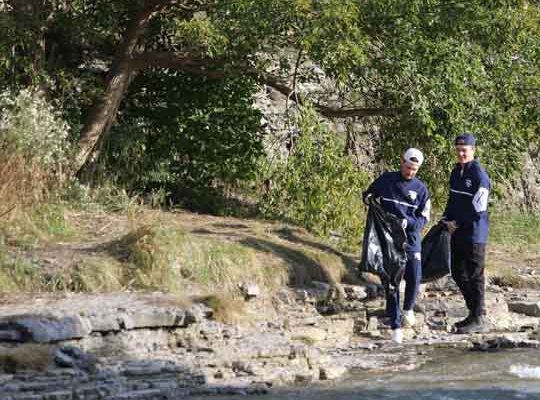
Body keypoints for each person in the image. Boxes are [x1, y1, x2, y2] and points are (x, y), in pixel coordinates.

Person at [363, 148, 431, 343]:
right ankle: (395, 325)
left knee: (415, 273)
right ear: (401, 162)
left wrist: (408, 223)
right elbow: (369, 193)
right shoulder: (386, 180)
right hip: (388, 239)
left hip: (410, 238)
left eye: (414, 170)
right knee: (391, 281)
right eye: (408, 167)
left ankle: (408, 309)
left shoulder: (421, 189)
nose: (410, 172)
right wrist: (368, 198)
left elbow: (424, 217)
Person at [441, 133, 491, 334]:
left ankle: (479, 317)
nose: (461, 153)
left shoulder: (480, 176)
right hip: (457, 232)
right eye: (458, 149)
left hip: (474, 234)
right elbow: (452, 200)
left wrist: (458, 223)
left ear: (473, 151)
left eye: (465, 150)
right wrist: (446, 218)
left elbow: (478, 208)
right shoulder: (455, 172)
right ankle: (474, 313)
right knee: (457, 272)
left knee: (475, 275)